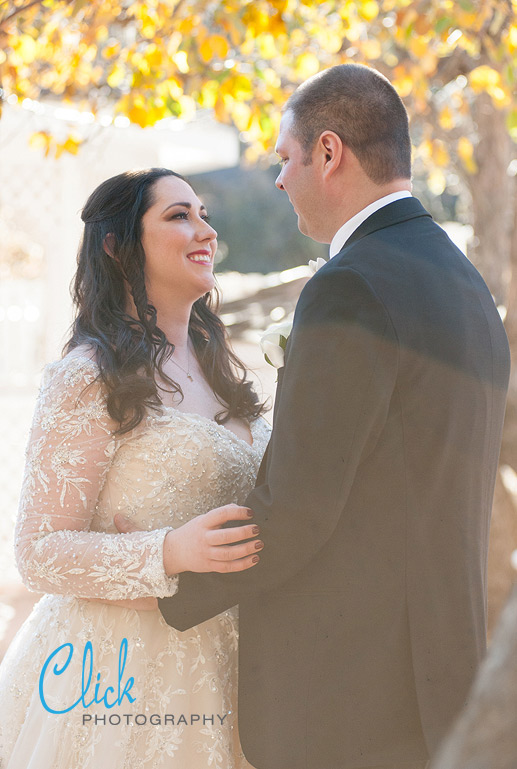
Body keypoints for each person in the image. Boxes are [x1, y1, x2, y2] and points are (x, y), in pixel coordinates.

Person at [143, 65, 511, 769]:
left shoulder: (350, 287)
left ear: (329, 152)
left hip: (345, 701)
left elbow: (303, 508)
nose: (278, 180)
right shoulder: (463, 284)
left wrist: (165, 581)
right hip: (434, 680)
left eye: (285, 158)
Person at [0, 168, 271, 769]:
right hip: (118, 674)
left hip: (232, 661)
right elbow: (39, 550)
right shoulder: (89, 373)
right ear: (117, 245)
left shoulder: (220, 363)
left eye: (203, 213)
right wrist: (168, 551)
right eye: (179, 216)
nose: (205, 229)